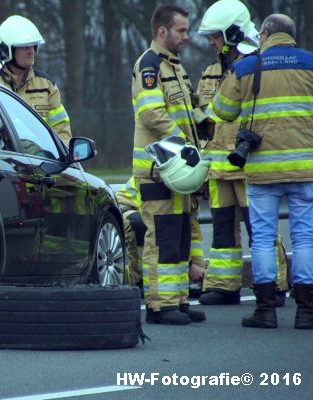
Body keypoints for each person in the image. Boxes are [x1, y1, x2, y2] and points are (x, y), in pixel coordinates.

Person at [212, 14, 313, 329]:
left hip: (262, 169)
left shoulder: (246, 67)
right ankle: (307, 312)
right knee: (305, 236)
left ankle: (266, 310)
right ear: (292, 36)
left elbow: (222, 110)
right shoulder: (310, 63)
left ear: (266, 34)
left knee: (263, 238)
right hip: (305, 167)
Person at [196, 0, 289, 306]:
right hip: (219, 168)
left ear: (233, 33)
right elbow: (203, 117)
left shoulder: (257, 67)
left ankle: (274, 285)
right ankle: (224, 285)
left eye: (216, 36)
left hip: (250, 165)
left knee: (259, 228)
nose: (212, 42)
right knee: (222, 232)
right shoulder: (210, 73)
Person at [131, 4, 205, 325]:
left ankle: (178, 301)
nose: (186, 37)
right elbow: (150, 113)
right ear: (163, 31)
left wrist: (207, 125)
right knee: (161, 238)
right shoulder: (149, 66)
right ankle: (159, 307)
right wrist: (184, 144)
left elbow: (190, 110)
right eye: (181, 30)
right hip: (158, 168)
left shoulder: (175, 67)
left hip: (178, 169)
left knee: (179, 236)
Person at [114, 178, 206, 296]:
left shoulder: (190, 192)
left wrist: (199, 267)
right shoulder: (168, 184)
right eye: (206, 184)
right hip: (124, 212)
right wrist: (189, 266)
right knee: (144, 226)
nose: (207, 191)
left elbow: (190, 232)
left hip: (149, 217)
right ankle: (138, 279)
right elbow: (165, 232)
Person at [0, 15, 72, 145]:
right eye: (24, 47)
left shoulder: (47, 86)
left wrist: (65, 158)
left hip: (41, 162)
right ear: (6, 50)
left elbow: (60, 130)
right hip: (1, 160)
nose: (31, 51)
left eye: (33, 46)